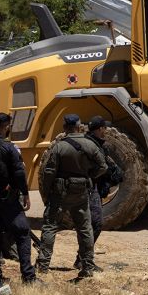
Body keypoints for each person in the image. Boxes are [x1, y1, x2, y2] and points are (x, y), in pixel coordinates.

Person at [36, 114, 107, 279]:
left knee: (50, 226)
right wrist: (89, 176)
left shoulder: (59, 147)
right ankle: (87, 265)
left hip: (60, 193)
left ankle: (43, 265)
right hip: (81, 191)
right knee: (84, 227)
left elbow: (49, 172)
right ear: (79, 126)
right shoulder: (90, 144)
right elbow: (103, 166)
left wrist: (47, 193)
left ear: (64, 127)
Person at [0, 112, 36, 284]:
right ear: (5, 127)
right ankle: (28, 276)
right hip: (7, 197)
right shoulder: (9, 148)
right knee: (22, 232)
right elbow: (19, 173)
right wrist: (25, 193)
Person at [78, 116, 124, 267]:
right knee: (95, 223)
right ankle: (84, 261)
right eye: (105, 128)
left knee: (90, 224)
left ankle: (83, 260)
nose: (106, 131)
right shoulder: (92, 146)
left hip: (90, 187)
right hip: (89, 189)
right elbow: (100, 168)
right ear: (99, 129)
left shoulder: (92, 143)